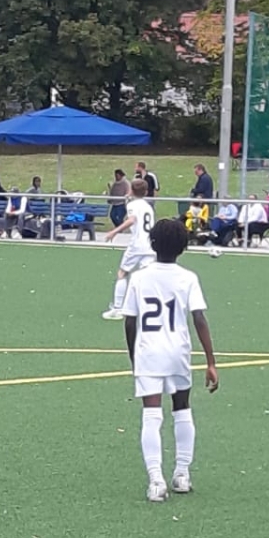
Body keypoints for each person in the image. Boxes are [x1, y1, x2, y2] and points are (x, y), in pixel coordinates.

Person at [123, 218, 219, 502]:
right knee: (182, 409)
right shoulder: (188, 278)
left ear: (152, 244)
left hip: (149, 353)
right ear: (183, 247)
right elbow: (199, 318)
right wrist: (211, 362)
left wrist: (134, 358)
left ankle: (156, 481)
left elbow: (130, 322)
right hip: (178, 352)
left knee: (151, 414)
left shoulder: (139, 277)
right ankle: (182, 474)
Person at [102, 179, 156, 319]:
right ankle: (148, 307)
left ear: (131, 190)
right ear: (145, 192)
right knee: (147, 276)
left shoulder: (132, 205)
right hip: (150, 245)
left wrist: (114, 231)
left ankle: (118, 308)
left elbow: (131, 220)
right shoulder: (148, 207)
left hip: (137, 244)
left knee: (122, 273)